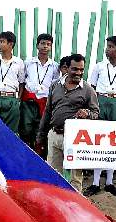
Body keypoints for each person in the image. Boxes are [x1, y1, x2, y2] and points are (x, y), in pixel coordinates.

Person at [36, 53, 98, 192]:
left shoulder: (88, 90)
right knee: (53, 174)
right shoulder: (55, 86)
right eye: (75, 69)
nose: (78, 73)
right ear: (67, 68)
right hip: (54, 135)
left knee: (75, 178)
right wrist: (41, 135)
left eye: (81, 70)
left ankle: (76, 208)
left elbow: (95, 113)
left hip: (74, 139)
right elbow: (47, 111)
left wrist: (87, 113)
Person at [85, 36, 116, 197]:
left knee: (113, 143)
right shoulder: (99, 67)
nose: (107, 49)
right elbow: (91, 88)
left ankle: (110, 182)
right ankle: (95, 182)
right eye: (107, 46)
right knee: (99, 141)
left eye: (111, 47)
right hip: (101, 101)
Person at [20, 34, 57, 149]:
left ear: (51, 47)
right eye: (42, 43)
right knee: (26, 128)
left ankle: (39, 154)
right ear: (37, 45)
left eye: (48, 44)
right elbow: (22, 80)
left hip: (45, 103)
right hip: (29, 100)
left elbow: (55, 85)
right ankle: (25, 151)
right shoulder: (28, 63)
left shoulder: (54, 66)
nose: (45, 46)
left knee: (40, 129)